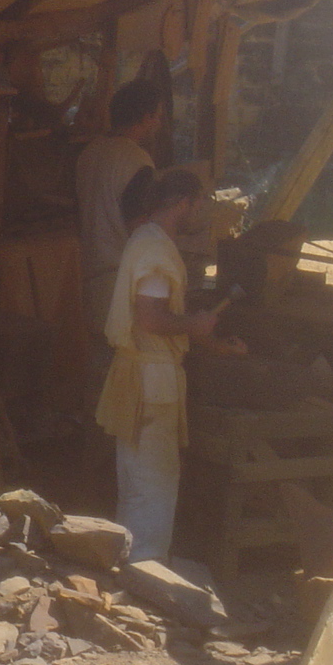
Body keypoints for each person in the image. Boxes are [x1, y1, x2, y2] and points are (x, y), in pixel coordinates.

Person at [95, 168, 246, 562]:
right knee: (154, 483)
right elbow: (150, 318)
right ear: (183, 204)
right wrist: (194, 325)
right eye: (199, 203)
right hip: (151, 382)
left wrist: (211, 343)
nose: (201, 211)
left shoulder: (147, 240)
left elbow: (159, 319)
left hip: (141, 376)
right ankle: (145, 570)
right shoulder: (156, 251)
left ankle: (129, 565)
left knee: (137, 483)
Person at [75, 79, 164, 338]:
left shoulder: (89, 153)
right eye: (157, 117)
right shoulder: (137, 160)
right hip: (120, 276)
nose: (158, 124)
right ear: (145, 118)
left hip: (89, 273)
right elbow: (138, 225)